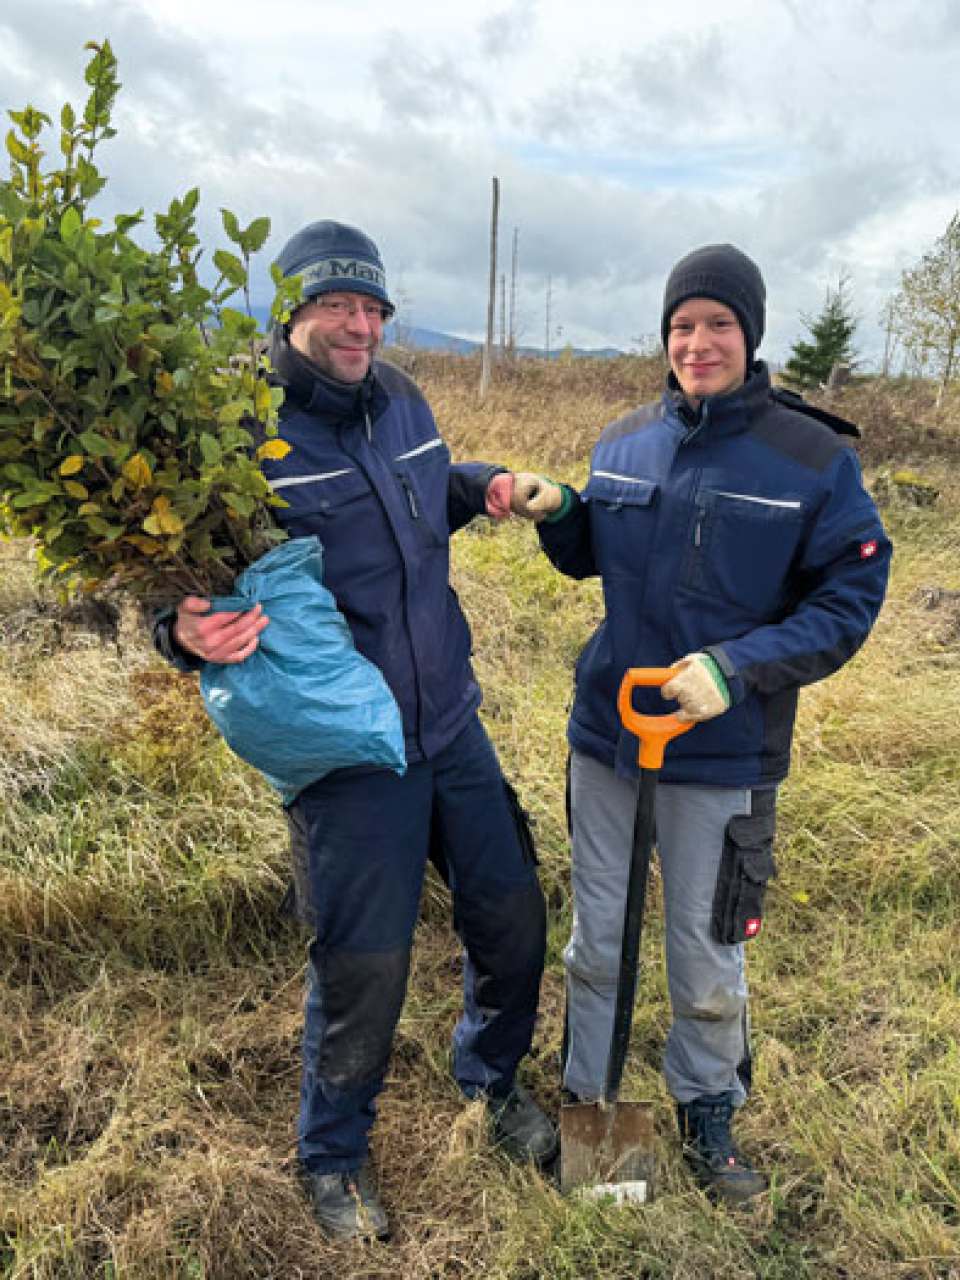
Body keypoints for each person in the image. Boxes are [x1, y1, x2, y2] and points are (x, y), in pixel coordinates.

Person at [153, 220, 556, 1241]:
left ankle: (491, 1079)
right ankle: (332, 1152)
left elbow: (427, 498)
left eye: (372, 306)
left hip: (449, 720)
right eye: (338, 304)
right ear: (292, 312)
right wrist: (183, 628)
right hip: (348, 749)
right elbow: (183, 589)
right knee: (363, 962)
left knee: (511, 913)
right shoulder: (243, 439)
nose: (359, 323)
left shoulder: (407, 402)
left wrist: (485, 484)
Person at [509, 244, 892, 1205]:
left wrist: (738, 667)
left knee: (704, 951)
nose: (696, 342)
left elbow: (850, 595)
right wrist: (564, 512)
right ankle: (588, 1098)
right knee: (597, 937)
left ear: (750, 334)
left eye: (717, 323)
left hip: (720, 749)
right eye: (681, 325)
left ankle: (707, 1107)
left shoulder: (811, 458)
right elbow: (596, 553)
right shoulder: (625, 439)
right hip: (609, 735)